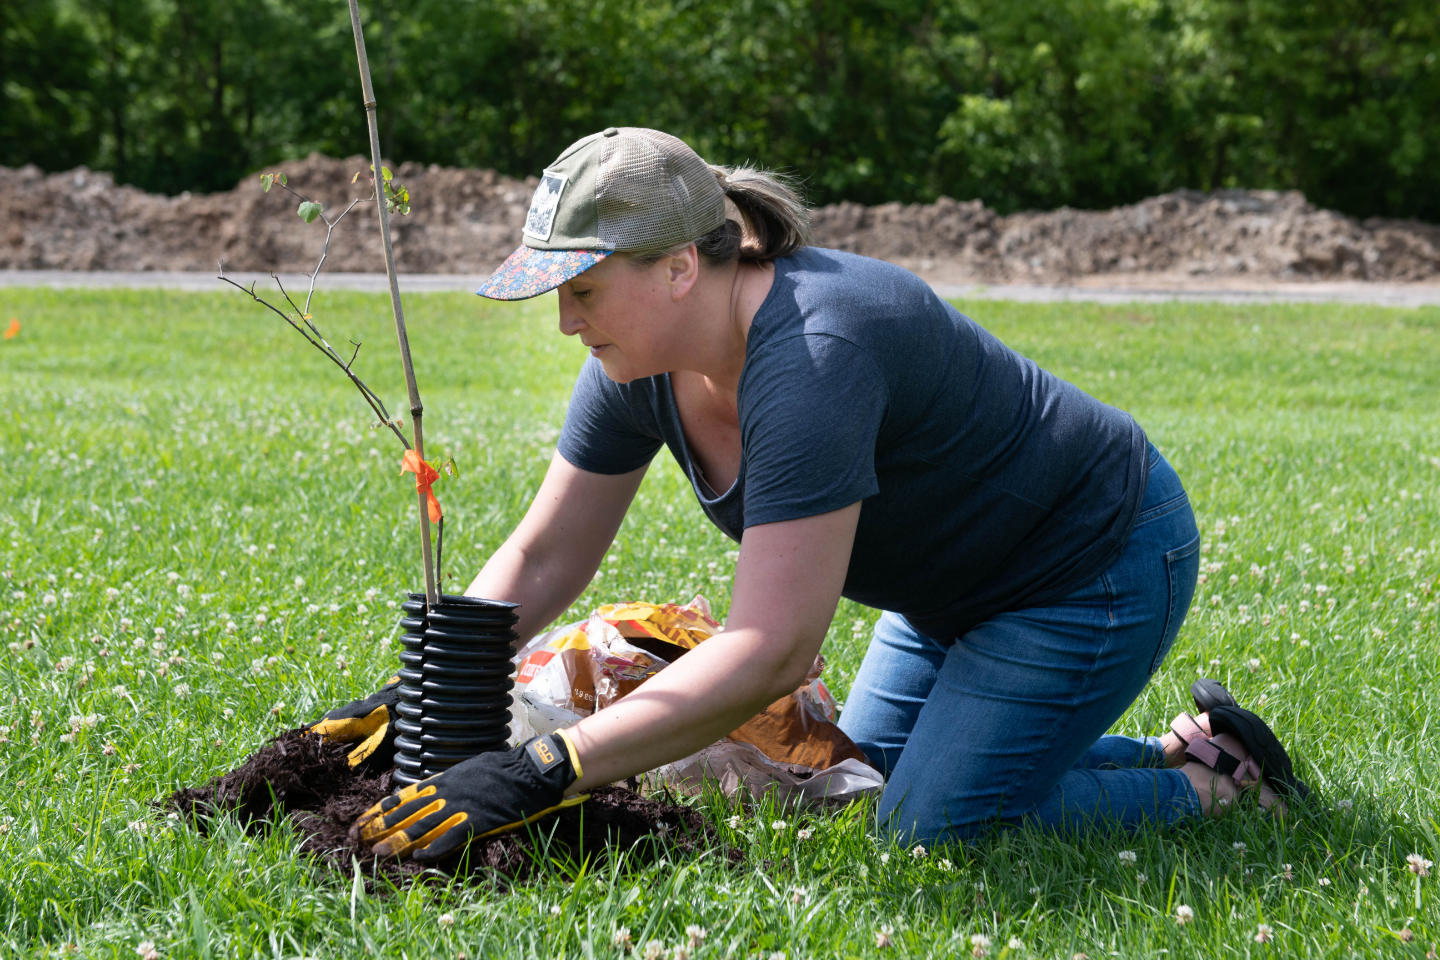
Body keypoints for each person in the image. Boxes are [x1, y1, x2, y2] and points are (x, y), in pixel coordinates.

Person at [332, 127, 1307, 862]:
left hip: (1088, 565)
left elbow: (772, 650)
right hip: (948, 591)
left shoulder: (813, 354)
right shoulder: (636, 369)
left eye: (581, 289)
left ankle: (1217, 792)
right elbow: (547, 553)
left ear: (679, 269)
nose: (562, 322)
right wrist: (433, 688)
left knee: (928, 824)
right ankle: (1179, 746)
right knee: (850, 775)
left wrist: (547, 767)